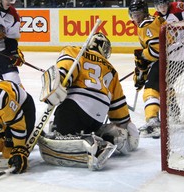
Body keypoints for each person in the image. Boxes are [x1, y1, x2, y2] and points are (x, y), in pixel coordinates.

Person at [38, 32, 139, 170]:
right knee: (81, 130)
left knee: (57, 133)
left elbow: (65, 69)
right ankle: (107, 136)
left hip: (75, 108)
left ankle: (92, 144)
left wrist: (57, 83)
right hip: (97, 118)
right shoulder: (112, 70)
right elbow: (118, 108)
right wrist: (128, 126)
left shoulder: (76, 52)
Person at [128, 0, 184, 138]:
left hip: (169, 58)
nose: (135, 17)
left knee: (151, 89)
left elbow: (156, 51)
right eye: (133, 14)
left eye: (138, 14)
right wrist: (142, 64)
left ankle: (153, 121)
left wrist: (142, 57)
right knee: (165, 84)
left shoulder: (146, 25)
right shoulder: (155, 19)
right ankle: (173, 109)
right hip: (178, 58)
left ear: (144, 13)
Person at [0, 80, 36, 174]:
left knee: (9, 153)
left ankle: (28, 132)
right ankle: (6, 136)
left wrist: (19, 148)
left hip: (20, 108)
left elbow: (17, 123)